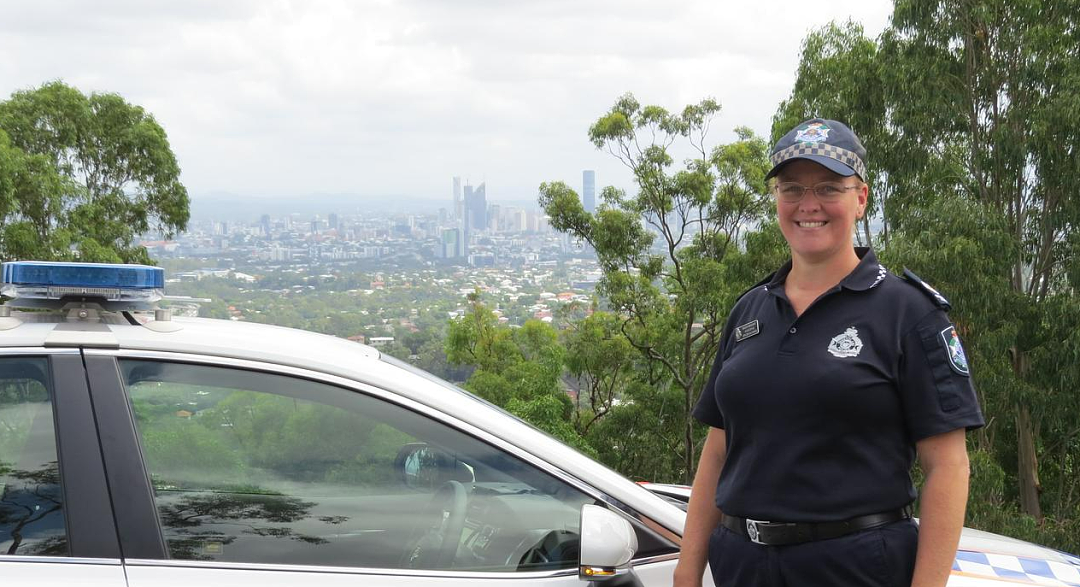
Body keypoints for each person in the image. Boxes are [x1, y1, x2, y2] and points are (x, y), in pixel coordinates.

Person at [673, 118, 985, 587]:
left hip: (854, 566)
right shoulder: (749, 310)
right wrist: (687, 570)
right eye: (792, 188)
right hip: (742, 564)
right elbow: (718, 451)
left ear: (860, 199)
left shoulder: (909, 313)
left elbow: (948, 466)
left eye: (828, 188)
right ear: (776, 199)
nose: (809, 205)